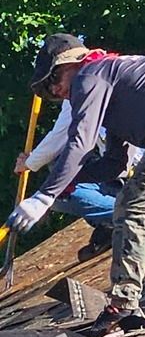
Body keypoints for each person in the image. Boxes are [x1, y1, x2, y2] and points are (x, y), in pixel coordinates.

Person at [7, 34, 145, 337]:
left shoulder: (92, 73)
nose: (56, 92)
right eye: (48, 91)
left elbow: (81, 141)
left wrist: (44, 195)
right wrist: (67, 184)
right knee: (144, 209)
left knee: (134, 208)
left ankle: (122, 304)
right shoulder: (113, 84)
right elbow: (114, 163)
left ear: (73, 63)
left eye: (54, 80)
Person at [14, 61, 137, 244]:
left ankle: (129, 218)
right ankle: (112, 222)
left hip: (141, 168)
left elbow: (60, 136)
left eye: (55, 81)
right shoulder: (92, 81)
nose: (55, 91)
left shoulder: (86, 86)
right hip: (120, 172)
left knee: (59, 190)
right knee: (66, 180)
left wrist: (30, 163)